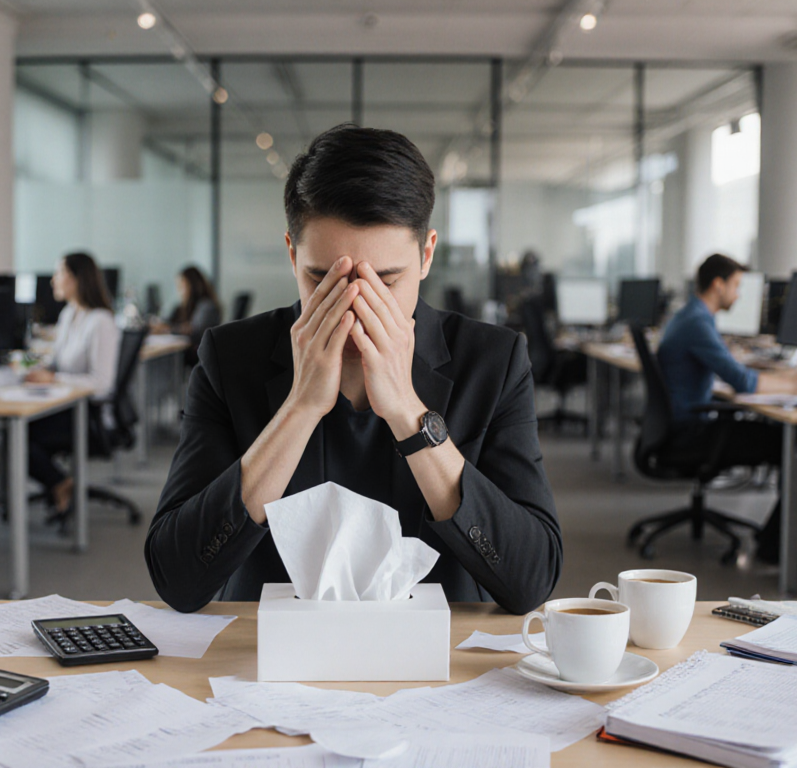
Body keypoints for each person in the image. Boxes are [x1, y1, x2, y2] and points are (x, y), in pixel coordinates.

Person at [146, 125, 562, 614]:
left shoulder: (493, 360)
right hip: (269, 657)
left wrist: (408, 411)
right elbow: (177, 578)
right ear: (291, 254)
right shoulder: (230, 356)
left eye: (386, 280)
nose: (354, 306)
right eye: (324, 279)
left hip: (437, 660)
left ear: (427, 255)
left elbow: (531, 579)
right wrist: (299, 408)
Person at [657, 253, 797, 562]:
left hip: (684, 425)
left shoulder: (689, 316)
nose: (739, 293)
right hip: (695, 432)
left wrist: (790, 376)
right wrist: (795, 386)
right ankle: (784, 545)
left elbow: (738, 371)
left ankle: (782, 537)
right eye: (736, 285)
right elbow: (742, 382)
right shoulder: (697, 323)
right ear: (718, 285)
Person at [26, 252, 119, 525]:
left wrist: (54, 380)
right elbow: (57, 363)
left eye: (60, 273)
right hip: (63, 406)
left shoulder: (100, 321)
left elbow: (102, 383)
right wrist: (37, 371)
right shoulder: (69, 315)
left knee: (19, 437)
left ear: (77, 279)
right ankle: (59, 484)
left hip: (88, 414)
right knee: (12, 435)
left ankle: (60, 483)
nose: (53, 279)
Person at [151, 266, 222, 366]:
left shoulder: (206, 306)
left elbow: (195, 331)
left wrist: (168, 329)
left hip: (198, 355)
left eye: (182, 286)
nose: (180, 291)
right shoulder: (185, 307)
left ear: (192, 286)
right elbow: (171, 321)